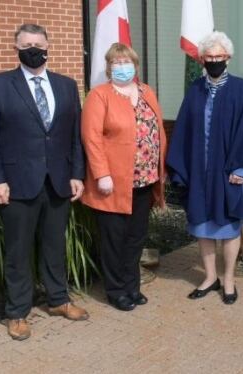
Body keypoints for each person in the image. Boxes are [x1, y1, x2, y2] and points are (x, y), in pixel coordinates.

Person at [0, 24, 89, 341]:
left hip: (57, 181)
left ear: (48, 45)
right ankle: (17, 312)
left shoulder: (67, 86)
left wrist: (76, 173)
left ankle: (58, 300)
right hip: (15, 184)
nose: (33, 48)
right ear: (15, 48)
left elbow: (74, 136)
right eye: (26, 44)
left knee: (56, 245)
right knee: (18, 250)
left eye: (38, 43)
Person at [167, 31, 243, 305]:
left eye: (219, 56)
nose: (215, 61)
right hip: (199, 172)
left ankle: (228, 279)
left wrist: (242, 169)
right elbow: (183, 129)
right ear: (202, 59)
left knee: (229, 227)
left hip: (228, 172)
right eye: (210, 57)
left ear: (228, 58)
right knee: (202, 226)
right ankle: (210, 277)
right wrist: (181, 170)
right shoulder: (195, 89)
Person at [81, 43, 167, 312]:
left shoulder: (147, 92)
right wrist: (101, 174)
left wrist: (160, 169)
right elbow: (91, 137)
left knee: (136, 238)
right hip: (113, 184)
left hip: (144, 180)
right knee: (114, 240)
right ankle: (116, 290)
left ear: (135, 65)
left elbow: (158, 130)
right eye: (116, 63)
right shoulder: (100, 95)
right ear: (108, 67)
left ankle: (132, 285)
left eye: (126, 62)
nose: (122, 67)